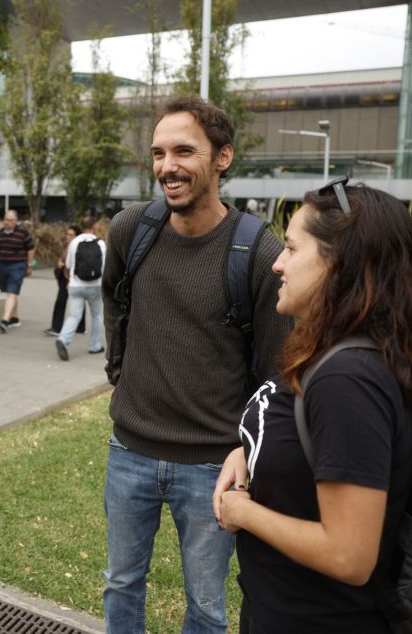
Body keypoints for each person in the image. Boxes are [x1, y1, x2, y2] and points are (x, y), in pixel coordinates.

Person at [213, 183, 412, 633]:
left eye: (292, 248)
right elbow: (318, 445)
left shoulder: (348, 380)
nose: (278, 263)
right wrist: (248, 451)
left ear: (338, 265)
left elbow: (349, 554)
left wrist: (242, 512)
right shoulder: (339, 355)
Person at [100, 96, 293, 633]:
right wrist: (121, 373)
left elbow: (279, 371)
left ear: (223, 157)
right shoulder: (131, 230)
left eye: (184, 151)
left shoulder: (257, 251)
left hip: (212, 463)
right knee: (120, 583)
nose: (167, 166)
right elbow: (115, 304)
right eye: (159, 153)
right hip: (130, 448)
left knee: (207, 606)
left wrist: (244, 447)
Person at [54, 216, 104, 361]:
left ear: (81, 228)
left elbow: (68, 265)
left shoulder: (74, 242)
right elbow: (105, 266)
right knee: (97, 315)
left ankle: (63, 339)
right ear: (94, 227)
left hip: (76, 286)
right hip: (95, 285)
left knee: (74, 315)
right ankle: (95, 346)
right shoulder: (101, 244)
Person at [0, 209, 35, 332]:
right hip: (2, 265)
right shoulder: (1, 232)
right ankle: (15, 318)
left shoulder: (23, 233)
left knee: (11, 292)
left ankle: (5, 320)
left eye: (11, 220)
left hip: (18, 266)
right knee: (10, 292)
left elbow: (31, 248)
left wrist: (29, 265)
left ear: (16, 221)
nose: (9, 222)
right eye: (7, 220)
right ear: (4, 220)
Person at [45, 224, 85, 337]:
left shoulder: (79, 246)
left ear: (76, 236)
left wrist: (64, 264)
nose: (68, 236)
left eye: (70, 235)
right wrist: (60, 263)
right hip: (64, 277)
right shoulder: (66, 245)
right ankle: (62, 327)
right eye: (67, 234)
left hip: (73, 278)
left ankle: (59, 328)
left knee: (65, 302)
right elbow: (61, 256)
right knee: (63, 302)